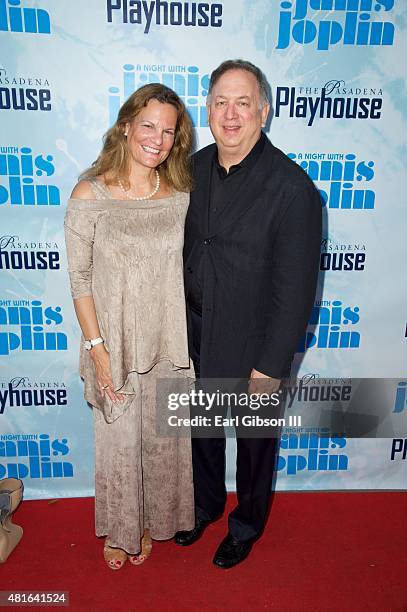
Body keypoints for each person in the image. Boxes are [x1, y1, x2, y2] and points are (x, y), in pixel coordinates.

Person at [175, 60, 322, 568]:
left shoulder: (293, 188)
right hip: (195, 333)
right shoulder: (189, 169)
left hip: (256, 345)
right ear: (208, 109)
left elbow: (297, 289)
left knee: (256, 445)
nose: (230, 114)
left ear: (263, 110)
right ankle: (205, 505)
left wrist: (271, 364)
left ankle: (247, 523)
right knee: (202, 431)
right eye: (220, 101)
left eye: (242, 102)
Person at [64, 83, 195, 570]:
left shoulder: (180, 194)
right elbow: (79, 280)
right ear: (126, 125)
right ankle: (120, 531)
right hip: (113, 344)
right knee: (118, 447)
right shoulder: (89, 193)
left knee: (162, 444)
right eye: (148, 126)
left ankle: (151, 523)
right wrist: (97, 350)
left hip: (166, 342)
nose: (157, 140)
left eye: (168, 131)